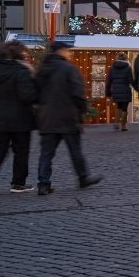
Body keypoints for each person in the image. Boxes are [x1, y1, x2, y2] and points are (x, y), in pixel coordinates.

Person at [34, 39, 102, 195]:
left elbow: (34, 93)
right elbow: (78, 93)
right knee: (75, 150)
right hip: (67, 116)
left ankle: (43, 184)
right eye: (67, 50)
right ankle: (83, 177)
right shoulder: (69, 69)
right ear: (60, 51)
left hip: (47, 117)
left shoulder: (42, 70)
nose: (69, 53)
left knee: (46, 153)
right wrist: (82, 110)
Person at [0, 40, 38, 196]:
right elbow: (27, 95)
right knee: (21, 150)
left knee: (0, 149)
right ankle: (18, 183)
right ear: (19, 54)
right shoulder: (21, 71)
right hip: (20, 118)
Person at [107, 52, 135, 131]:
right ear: (126, 58)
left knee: (118, 106)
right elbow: (131, 80)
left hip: (116, 90)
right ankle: (123, 125)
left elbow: (109, 81)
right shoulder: (128, 68)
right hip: (125, 90)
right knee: (124, 108)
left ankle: (116, 122)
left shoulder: (112, 68)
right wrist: (137, 88)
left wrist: (108, 93)